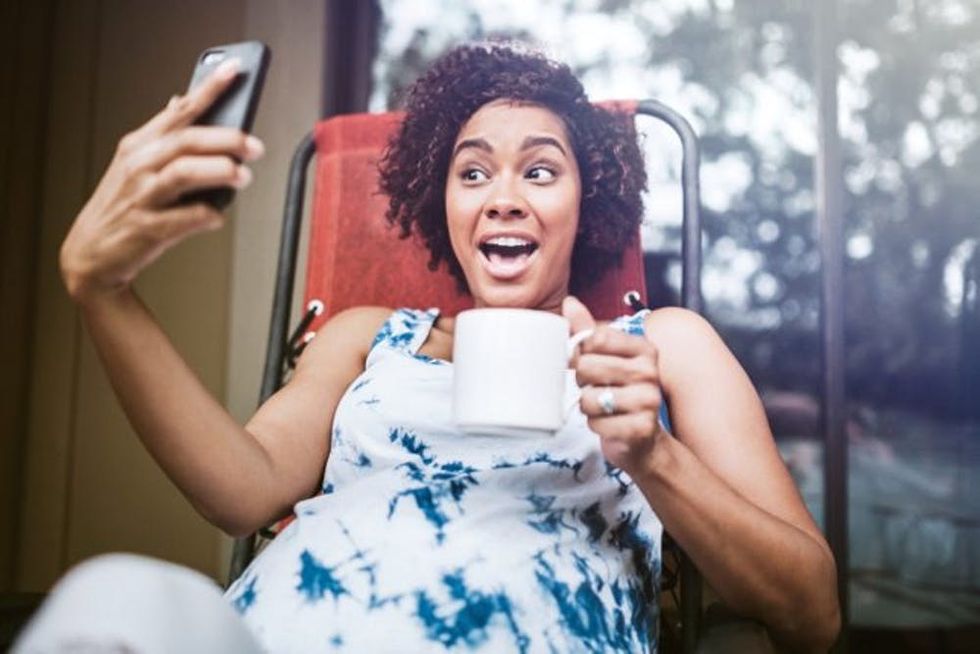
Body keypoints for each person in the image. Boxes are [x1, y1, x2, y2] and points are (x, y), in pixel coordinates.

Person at [18, 43, 839, 652]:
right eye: (473, 173)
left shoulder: (659, 345)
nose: (504, 198)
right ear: (441, 202)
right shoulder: (363, 337)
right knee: (108, 596)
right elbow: (239, 493)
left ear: (589, 205)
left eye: (541, 172)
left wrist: (654, 456)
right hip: (271, 634)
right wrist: (107, 295)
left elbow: (812, 612)